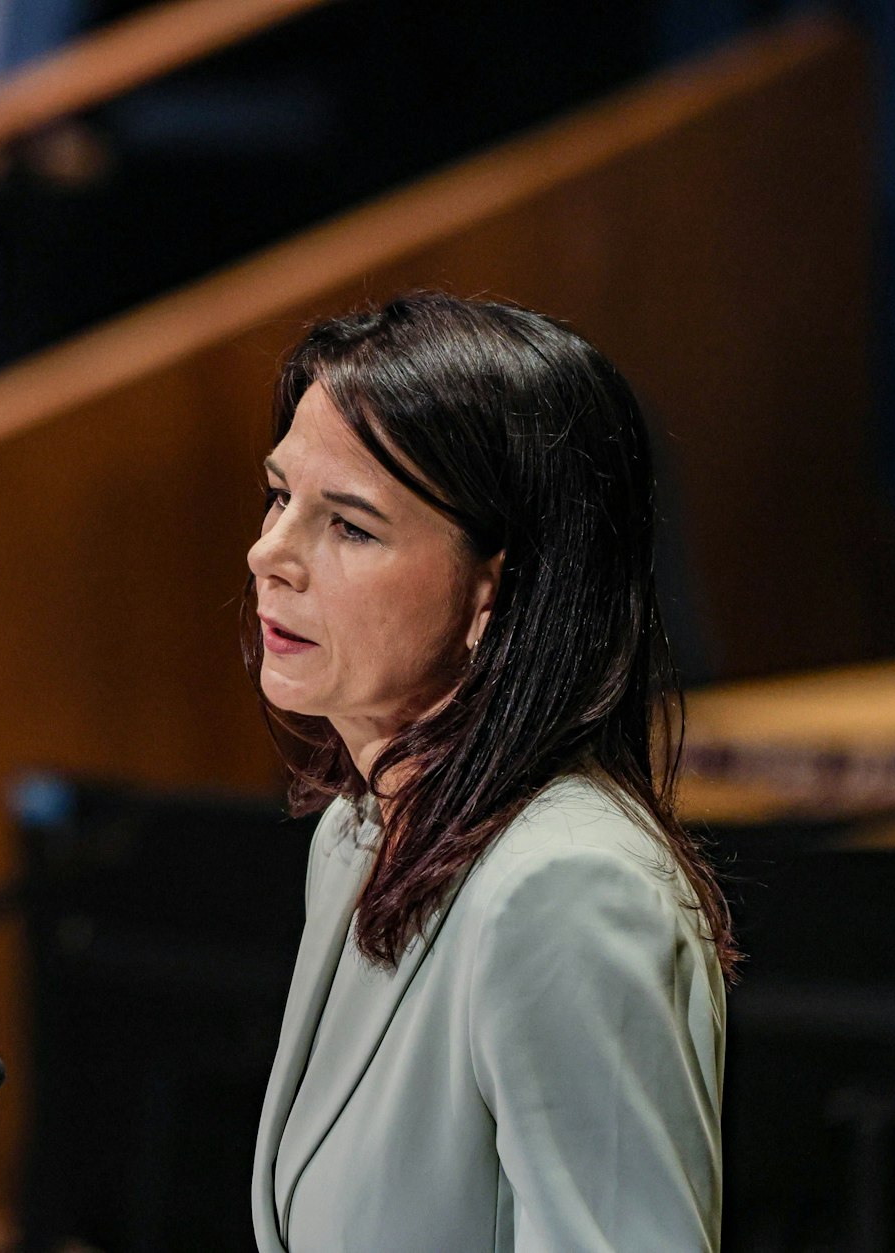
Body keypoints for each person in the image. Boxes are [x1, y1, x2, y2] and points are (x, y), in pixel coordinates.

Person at [246, 291, 732, 1251]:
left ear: (496, 591)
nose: (270, 553)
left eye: (349, 526)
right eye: (278, 496)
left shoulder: (565, 887)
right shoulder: (362, 834)